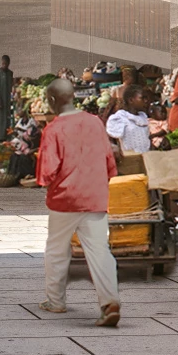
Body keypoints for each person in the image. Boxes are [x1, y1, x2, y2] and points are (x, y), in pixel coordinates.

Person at [34, 77, 120, 329]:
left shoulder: (54, 129)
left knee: (57, 249)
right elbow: (108, 160)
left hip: (65, 199)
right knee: (99, 251)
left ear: (52, 100)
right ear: (73, 96)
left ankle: (55, 301)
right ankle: (110, 301)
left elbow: (47, 172)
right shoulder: (95, 123)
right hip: (95, 196)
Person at [105, 88, 156, 170]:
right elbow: (110, 137)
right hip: (130, 160)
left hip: (148, 158)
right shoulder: (119, 118)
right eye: (142, 98)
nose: (146, 101)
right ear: (131, 100)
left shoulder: (144, 117)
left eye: (146, 98)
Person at [0, 54, 17, 147]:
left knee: (7, 117)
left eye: (6, 64)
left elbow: (11, 85)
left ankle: (6, 136)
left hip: (7, 98)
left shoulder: (10, 73)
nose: (4, 65)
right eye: (3, 63)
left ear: (9, 63)